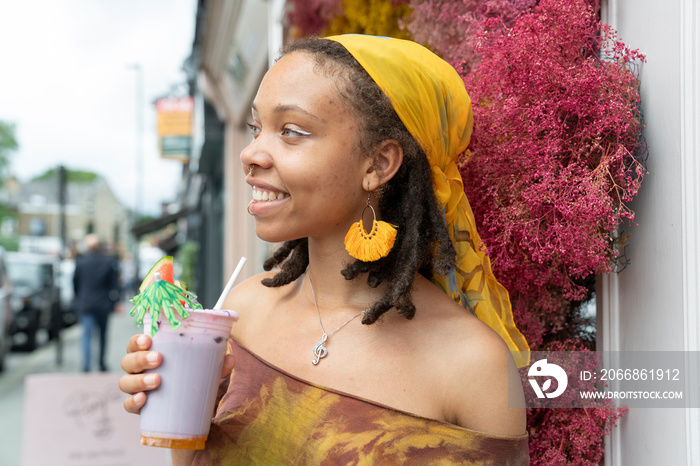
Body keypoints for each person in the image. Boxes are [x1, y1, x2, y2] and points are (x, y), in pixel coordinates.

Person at [120, 35, 531, 464]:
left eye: (292, 131)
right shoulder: (240, 314)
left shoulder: (473, 366)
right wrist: (188, 416)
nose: (250, 153)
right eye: (256, 128)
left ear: (377, 165)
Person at [73, 233, 120, 372]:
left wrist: (78, 299)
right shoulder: (108, 261)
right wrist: (115, 302)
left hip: (86, 303)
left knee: (86, 334)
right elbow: (114, 285)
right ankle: (101, 363)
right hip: (103, 304)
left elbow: (75, 283)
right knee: (102, 335)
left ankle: (86, 364)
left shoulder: (81, 262)